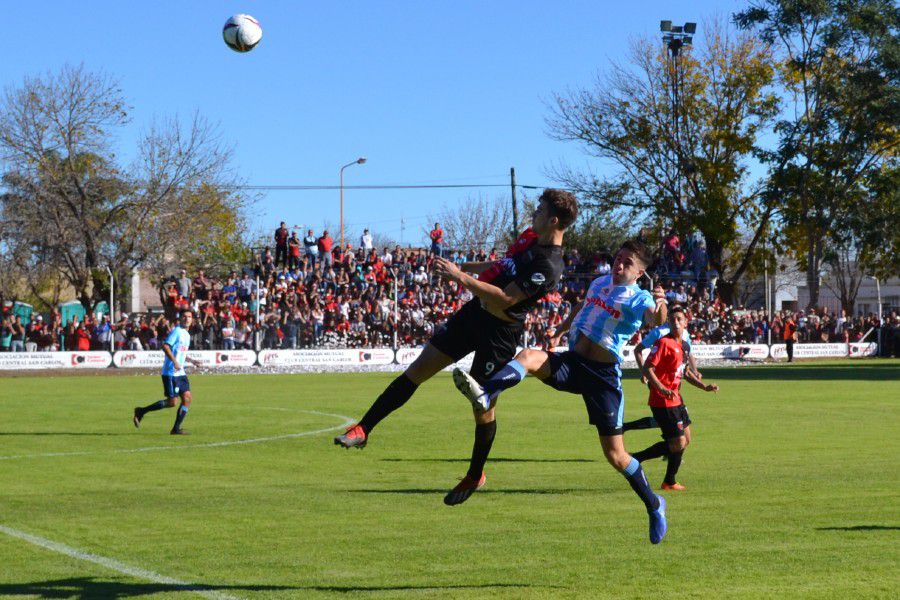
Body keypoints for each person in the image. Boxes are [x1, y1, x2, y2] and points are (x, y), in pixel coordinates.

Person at [334, 189, 577, 496]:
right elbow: (501, 267)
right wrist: (458, 269)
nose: (534, 214)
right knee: (418, 370)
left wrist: (458, 278)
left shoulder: (550, 266)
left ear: (554, 220)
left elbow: (505, 299)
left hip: (500, 333)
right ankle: (364, 428)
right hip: (473, 315)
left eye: (540, 210)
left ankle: (475, 475)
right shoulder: (529, 237)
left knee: (482, 407)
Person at [452, 239, 669, 544]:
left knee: (616, 456)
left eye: (627, 263)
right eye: (618, 258)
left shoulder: (640, 297)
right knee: (528, 356)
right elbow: (582, 306)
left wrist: (662, 306)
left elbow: (655, 318)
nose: (618, 265)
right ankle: (486, 393)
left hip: (603, 379)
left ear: (639, 272)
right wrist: (562, 329)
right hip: (573, 363)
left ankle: (654, 503)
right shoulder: (599, 283)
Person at [630, 306, 719, 490]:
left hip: (677, 399)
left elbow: (684, 372)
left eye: (679, 319)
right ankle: (639, 462)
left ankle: (666, 479)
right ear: (669, 323)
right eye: (673, 320)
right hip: (662, 400)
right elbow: (648, 367)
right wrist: (661, 387)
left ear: (686, 322)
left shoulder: (684, 346)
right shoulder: (663, 343)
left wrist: (704, 387)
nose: (676, 322)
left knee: (685, 439)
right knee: (677, 442)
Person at [133, 310, 201, 435]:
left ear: (192, 320)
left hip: (180, 373)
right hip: (170, 373)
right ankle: (141, 411)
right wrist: (174, 362)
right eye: (184, 317)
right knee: (172, 402)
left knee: (187, 399)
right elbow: (165, 346)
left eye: (189, 317)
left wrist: (192, 361)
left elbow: (180, 353)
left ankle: (176, 429)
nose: (187, 319)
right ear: (180, 318)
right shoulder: (177, 331)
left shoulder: (186, 334)